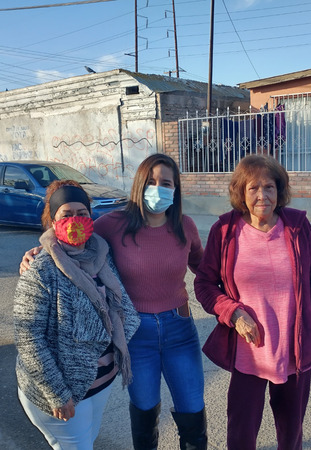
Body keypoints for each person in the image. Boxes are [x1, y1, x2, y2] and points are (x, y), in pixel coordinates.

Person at [20, 154, 207, 450]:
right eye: (151, 181)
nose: (158, 188)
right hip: (136, 336)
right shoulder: (113, 224)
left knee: (192, 408)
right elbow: (71, 234)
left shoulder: (185, 226)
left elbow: (206, 270)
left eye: (166, 183)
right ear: (139, 184)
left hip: (179, 328)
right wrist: (38, 251)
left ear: (175, 189)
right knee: (145, 410)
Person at [194, 154, 311, 450]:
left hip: (293, 350)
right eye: (253, 188)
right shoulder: (225, 230)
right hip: (248, 353)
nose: (262, 195)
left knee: (291, 434)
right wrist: (233, 313)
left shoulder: (297, 226)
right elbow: (204, 284)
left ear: (279, 190)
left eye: (269, 187)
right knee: (241, 434)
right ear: (241, 193)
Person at [14, 180, 140, 450]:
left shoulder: (101, 255)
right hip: (64, 392)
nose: (74, 221)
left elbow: (119, 306)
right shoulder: (41, 268)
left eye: (81, 213)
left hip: (99, 384)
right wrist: (57, 394)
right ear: (53, 221)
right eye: (66, 215)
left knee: (83, 441)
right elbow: (28, 338)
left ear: (90, 217)